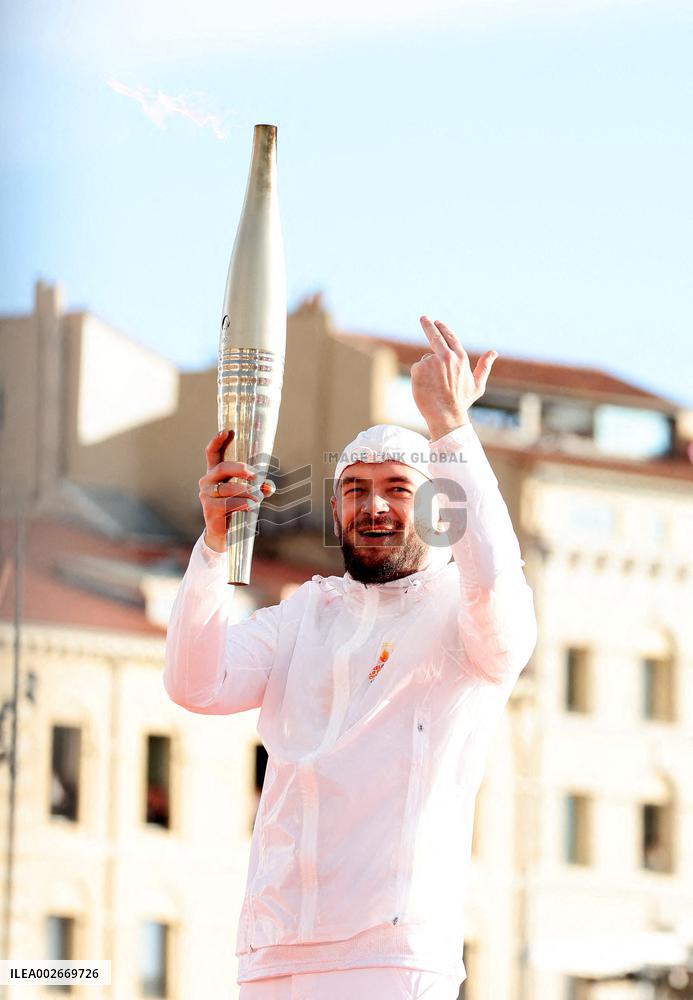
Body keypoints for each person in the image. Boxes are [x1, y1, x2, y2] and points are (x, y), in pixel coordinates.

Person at [164, 316, 537, 1000]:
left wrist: (450, 426)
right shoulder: (306, 614)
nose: (374, 506)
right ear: (335, 511)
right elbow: (195, 682)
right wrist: (214, 548)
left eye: (398, 488)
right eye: (356, 490)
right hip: (272, 955)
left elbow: (494, 574)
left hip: (392, 959)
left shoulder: (469, 619)